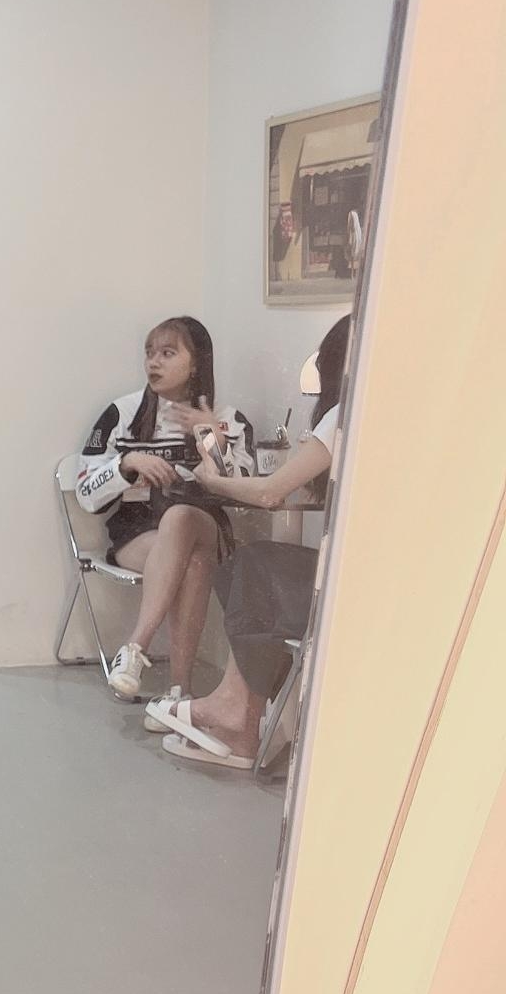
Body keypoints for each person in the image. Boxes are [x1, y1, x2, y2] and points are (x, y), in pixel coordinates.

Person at [149, 315, 352, 769]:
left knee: (253, 564)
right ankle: (242, 714)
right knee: (252, 568)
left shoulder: (346, 413)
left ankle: (238, 712)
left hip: (351, 588)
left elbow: (270, 493)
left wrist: (213, 482)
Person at [76, 315, 255, 701]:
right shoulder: (121, 415)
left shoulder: (228, 420)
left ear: (196, 364)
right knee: (193, 561)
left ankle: (135, 648)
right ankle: (179, 694)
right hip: (137, 534)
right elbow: (86, 494)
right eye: (149, 353)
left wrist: (210, 437)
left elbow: (244, 493)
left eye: (167, 353)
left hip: (206, 524)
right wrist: (127, 464)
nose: (153, 362)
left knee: (181, 517)